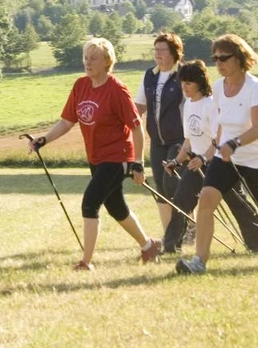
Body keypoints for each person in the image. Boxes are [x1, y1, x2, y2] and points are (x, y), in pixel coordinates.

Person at [30, 37, 161, 271]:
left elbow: (136, 127)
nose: (87, 62)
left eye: (93, 58)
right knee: (116, 207)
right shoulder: (81, 85)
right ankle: (148, 245)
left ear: (106, 61)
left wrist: (138, 163)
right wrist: (44, 140)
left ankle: (85, 262)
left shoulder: (116, 89)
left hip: (118, 156)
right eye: (85, 58)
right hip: (96, 158)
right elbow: (67, 121)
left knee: (90, 203)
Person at [177, 34, 258, 274]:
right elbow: (221, 122)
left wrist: (234, 143)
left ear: (239, 58)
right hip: (225, 156)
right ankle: (199, 262)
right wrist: (217, 148)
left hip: (255, 157)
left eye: (224, 58)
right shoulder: (218, 88)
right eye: (215, 58)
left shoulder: (254, 86)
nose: (218, 63)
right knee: (206, 200)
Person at [161, 60, 258, 255]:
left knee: (239, 205)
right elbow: (189, 140)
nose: (184, 87)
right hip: (196, 163)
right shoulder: (188, 105)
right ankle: (170, 247)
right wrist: (176, 161)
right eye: (182, 83)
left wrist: (204, 159)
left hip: (218, 162)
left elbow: (217, 139)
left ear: (199, 82)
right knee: (180, 203)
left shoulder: (210, 105)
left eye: (188, 83)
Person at [136, 33, 185, 232]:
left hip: (179, 140)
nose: (157, 54)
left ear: (174, 52)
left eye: (162, 50)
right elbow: (139, 106)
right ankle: (168, 234)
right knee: (161, 189)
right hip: (157, 140)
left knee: (174, 185)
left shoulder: (184, 74)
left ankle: (187, 227)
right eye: (155, 49)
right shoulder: (150, 75)